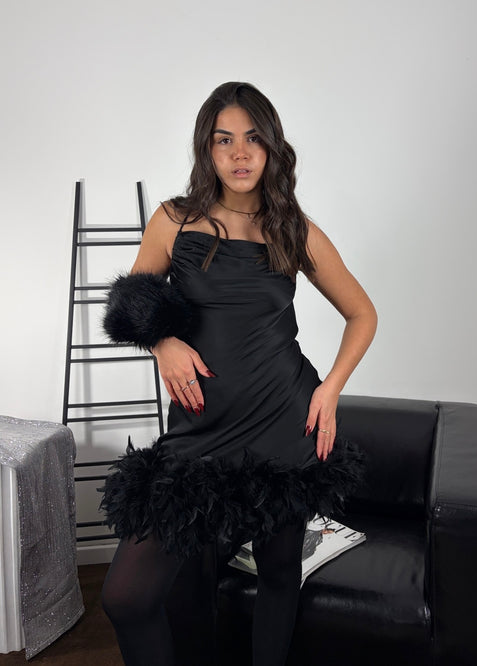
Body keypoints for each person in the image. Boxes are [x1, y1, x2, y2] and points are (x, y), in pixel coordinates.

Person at [100, 81, 377, 666]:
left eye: (253, 138)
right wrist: (162, 341)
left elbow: (362, 313)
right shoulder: (174, 220)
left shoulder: (294, 229)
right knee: (127, 597)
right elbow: (131, 304)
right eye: (224, 140)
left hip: (284, 422)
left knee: (279, 572)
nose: (240, 153)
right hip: (200, 432)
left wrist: (330, 389)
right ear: (207, 148)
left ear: (272, 146)